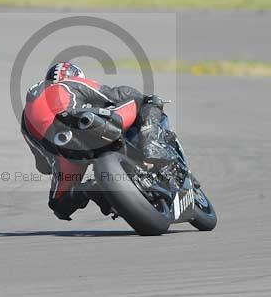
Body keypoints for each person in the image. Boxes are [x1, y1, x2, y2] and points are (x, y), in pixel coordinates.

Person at [20, 61, 170, 221]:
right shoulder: (71, 83)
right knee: (144, 102)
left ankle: (89, 189)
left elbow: (42, 166)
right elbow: (116, 94)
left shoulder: (25, 118)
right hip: (82, 123)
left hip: (63, 152)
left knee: (58, 204)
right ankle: (151, 144)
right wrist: (143, 98)